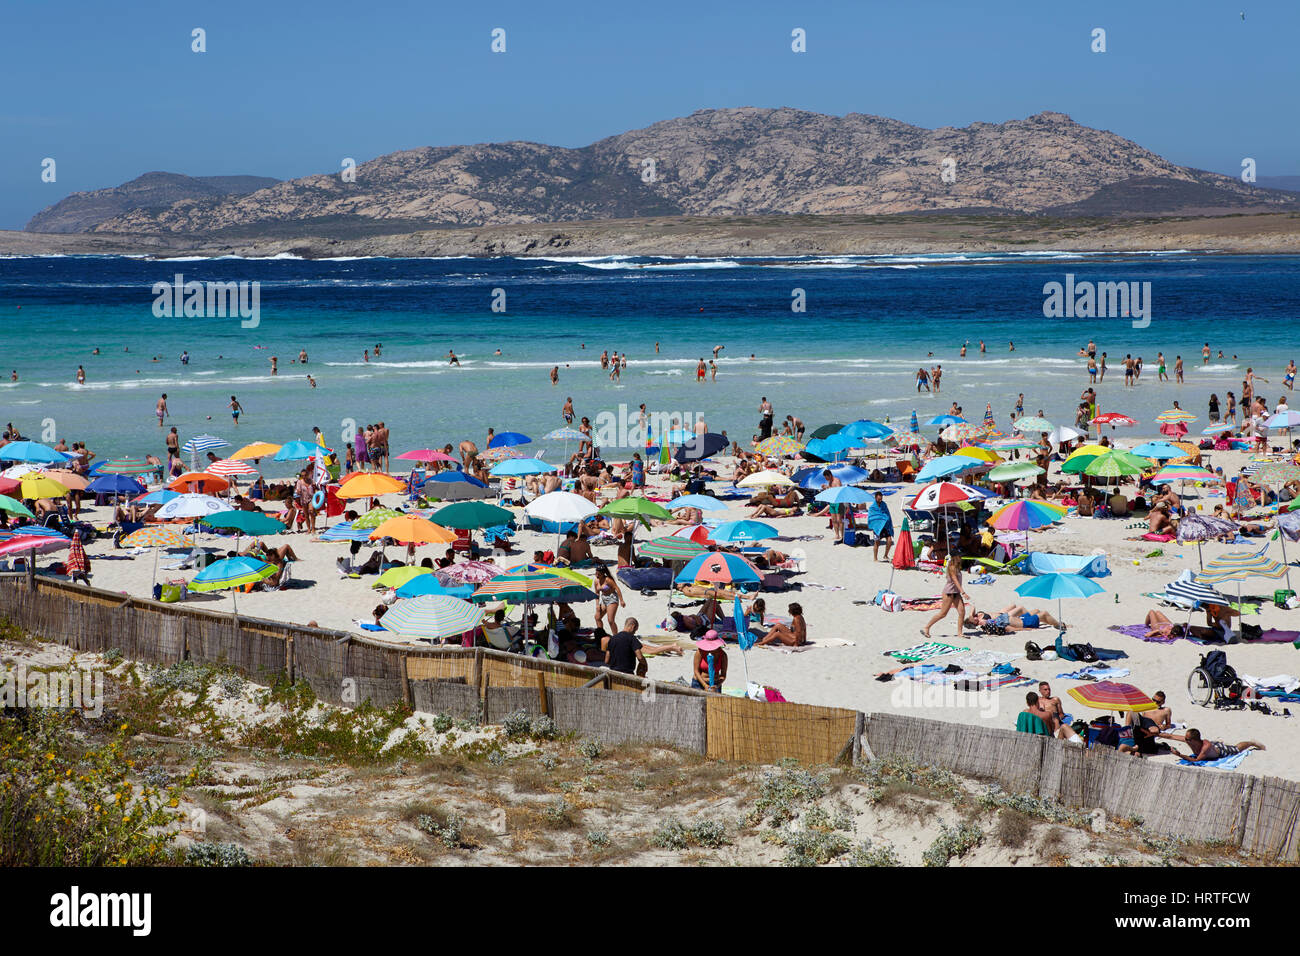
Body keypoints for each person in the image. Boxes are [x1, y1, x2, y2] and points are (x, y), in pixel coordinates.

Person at [921, 549, 969, 639]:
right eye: (959, 556)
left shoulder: (958, 566)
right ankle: (926, 627)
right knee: (943, 614)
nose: (961, 557)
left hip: (956, 593)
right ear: (955, 557)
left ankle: (959, 633)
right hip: (949, 593)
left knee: (962, 612)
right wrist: (963, 592)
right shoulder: (951, 567)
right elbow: (955, 580)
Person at [1165, 729, 1265, 763]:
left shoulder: (1205, 747)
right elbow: (1171, 736)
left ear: (1194, 740)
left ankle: (1252, 743)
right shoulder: (1190, 741)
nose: (1185, 740)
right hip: (1212, 745)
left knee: (1236, 749)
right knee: (1214, 744)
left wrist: (1179, 754)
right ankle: (1218, 742)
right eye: (1186, 738)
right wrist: (1155, 733)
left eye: (1188, 739)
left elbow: (1197, 760)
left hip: (1220, 751)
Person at [592, 564, 625, 632]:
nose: (597, 575)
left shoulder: (608, 580)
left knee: (610, 620)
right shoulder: (596, 581)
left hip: (612, 598)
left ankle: (615, 636)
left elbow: (617, 589)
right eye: (596, 573)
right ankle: (601, 634)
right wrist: (597, 605)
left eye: (599, 574)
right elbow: (597, 593)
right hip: (604, 599)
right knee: (597, 617)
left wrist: (621, 600)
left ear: (603, 573)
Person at [867, 490, 893, 562]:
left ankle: (886, 555)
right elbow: (871, 517)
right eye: (878, 499)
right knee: (877, 543)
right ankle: (875, 558)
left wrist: (888, 522)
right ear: (875, 498)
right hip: (877, 527)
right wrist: (875, 525)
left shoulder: (884, 504)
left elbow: (887, 514)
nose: (880, 500)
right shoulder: (872, 507)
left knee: (889, 540)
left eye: (881, 499)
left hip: (885, 526)